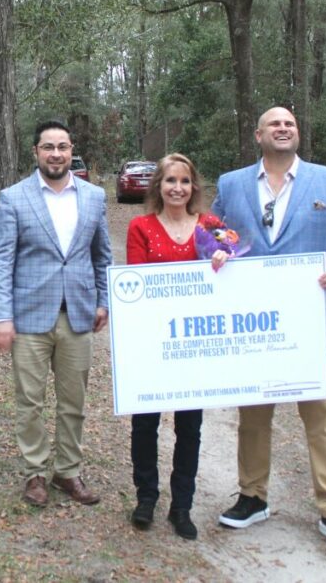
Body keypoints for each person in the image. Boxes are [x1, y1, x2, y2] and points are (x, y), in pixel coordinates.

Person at [211, 106, 326, 552]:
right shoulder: (232, 184)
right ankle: (252, 496)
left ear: (297, 134)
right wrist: (217, 253)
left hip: (313, 323)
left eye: (290, 124)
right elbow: (216, 233)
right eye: (274, 124)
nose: (283, 128)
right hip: (254, 327)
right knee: (253, 418)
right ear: (258, 134)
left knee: (322, 420)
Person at [0, 119, 112, 508]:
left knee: (73, 400)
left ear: (71, 149)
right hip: (28, 317)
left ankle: (68, 472)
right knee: (31, 401)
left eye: (62, 147)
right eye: (48, 147)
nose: (56, 154)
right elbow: (1, 261)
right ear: (36, 152)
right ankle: (35, 473)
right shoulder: (13, 198)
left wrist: (104, 301)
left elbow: (102, 255)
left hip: (77, 316)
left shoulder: (93, 197)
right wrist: (1, 316)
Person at [126, 154, 228, 537]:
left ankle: (181, 505)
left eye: (184, 182)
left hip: (195, 343)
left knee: (190, 426)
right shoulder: (141, 227)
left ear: (194, 187)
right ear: (159, 186)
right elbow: (134, 282)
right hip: (152, 341)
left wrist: (224, 255)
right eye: (170, 181)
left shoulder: (211, 226)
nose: (177, 188)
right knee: (145, 423)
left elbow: (235, 252)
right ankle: (146, 497)